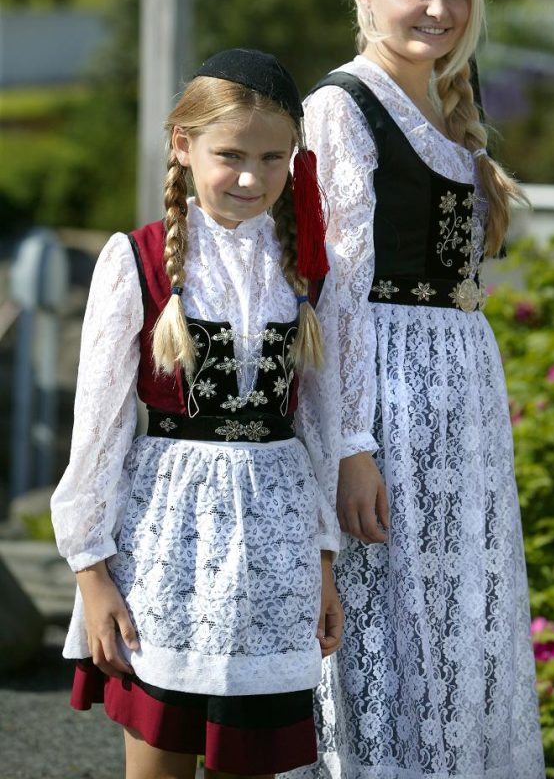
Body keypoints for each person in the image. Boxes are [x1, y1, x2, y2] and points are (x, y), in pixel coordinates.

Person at [292, 0, 545, 778]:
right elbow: (341, 292)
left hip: (458, 398)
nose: (439, 8)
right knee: (388, 628)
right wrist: (351, 445)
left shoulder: (444, 110)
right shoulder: (342, 105)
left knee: (454, 626)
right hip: (386, 399)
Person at [51, 48, 347, 779]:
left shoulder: (304, 268)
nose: (252, 176)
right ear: (183, 145)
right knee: (158, 766)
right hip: (165, 545)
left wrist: (324, 562)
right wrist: (91, 573)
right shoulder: (138, 260)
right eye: (231, 154)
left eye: (273, 157)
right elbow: (99, 428)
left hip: (275, 550)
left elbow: (317, 429)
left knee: (251, 763)